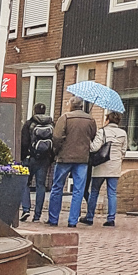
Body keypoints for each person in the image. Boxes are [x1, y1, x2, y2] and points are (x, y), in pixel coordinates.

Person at [48, 97, 98, 226]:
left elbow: (57, 136)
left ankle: (53, 219)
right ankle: (73, 220)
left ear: (71, 105)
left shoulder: (65, 118)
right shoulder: (91, 119)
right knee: (78, 190)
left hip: (64, 157)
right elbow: (93, 136)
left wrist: (57, 150)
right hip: (82, 158)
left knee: (57, 187)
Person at [83, 110, 126, 227]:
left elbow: (94, 148)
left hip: (101, 166)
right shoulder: (123, 133)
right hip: (115, 166)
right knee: (112, 193)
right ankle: (111, 219)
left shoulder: (102, 132)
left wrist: (89, 142)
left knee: (94, 192)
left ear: (108, 120)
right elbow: (123, 151)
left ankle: (90, 217)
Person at [20, 99, 55, 222]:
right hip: (44, 159)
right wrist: (51, 157)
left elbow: (23, 142)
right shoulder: (51, 124)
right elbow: (54, 142)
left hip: (30, 158)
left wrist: (23, 157)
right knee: (41, 186)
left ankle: (26, 209)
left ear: (34, 111)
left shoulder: (29, 124)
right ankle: (37, 215)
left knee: (25, 183)